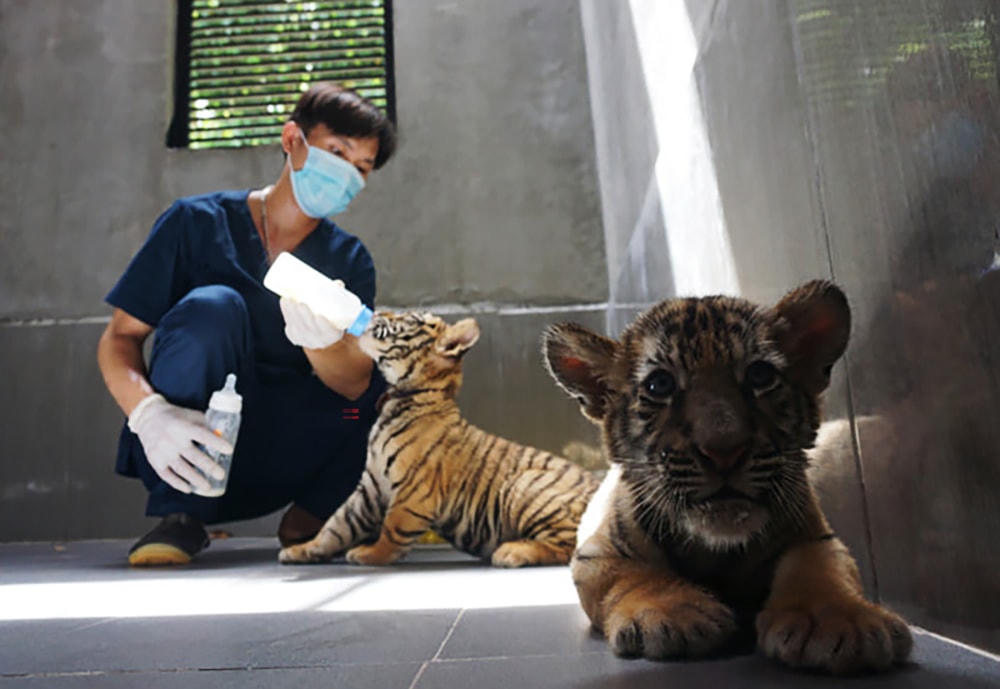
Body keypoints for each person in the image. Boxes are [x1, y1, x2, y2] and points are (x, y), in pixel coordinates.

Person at [96, 83, 397, 566]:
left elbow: (352, 387)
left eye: (361, 168)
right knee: (212, 307)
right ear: (292, 139)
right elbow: (120, 337)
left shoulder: (347, 259)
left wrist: (322, 345)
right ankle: (180, 516)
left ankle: (314, 516)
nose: (346, 174)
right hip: (188, 446)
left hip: (285, 452)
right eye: (337, 152)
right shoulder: (194, 224)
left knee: (388, 392)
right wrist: (148, 414)